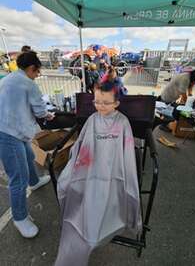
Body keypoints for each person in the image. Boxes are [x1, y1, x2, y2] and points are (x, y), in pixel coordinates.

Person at [55, 78, 140, 266]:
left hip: (113, 171)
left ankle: (97, 229)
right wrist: (77, 164)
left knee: (106, 198)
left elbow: (125, 154)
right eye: (96, 101)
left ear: (117, 103)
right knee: (65, 183)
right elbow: (81, 146)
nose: (100, 106)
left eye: (106, 102)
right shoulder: (92, 120)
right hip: (90, 168)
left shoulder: (123, 123)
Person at [0, 51, 54, 238]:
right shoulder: (28, 84)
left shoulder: (9, 78)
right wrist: (48, 115)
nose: (37, 76)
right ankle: (20, 218)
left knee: (30, 156)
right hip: (8, 132)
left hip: (12, 127)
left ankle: (35, 181)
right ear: (32, 68)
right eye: (37, 72)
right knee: (18, 179)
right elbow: (40, 111)